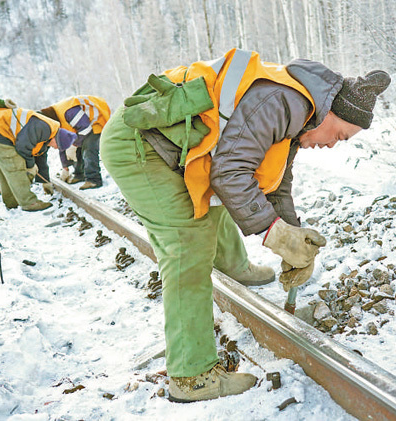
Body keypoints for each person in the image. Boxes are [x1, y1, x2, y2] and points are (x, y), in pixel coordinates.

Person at [100, 48, 391, 402]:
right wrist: (275, 235)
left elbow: (274, 182)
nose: (332, 145)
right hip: (140, 146)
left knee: (222, 202)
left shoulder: (301, 111)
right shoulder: (284, 102)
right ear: (331, 113)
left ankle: (233, 266)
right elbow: (230, 173)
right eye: (341, 136)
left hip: (174, 147)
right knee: (188, 249)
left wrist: (294, 237)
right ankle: (191, 376)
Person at [0, 102, 77, 211]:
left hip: (0, 132)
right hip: (0, 131)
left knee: (4, 171)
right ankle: (29, 203)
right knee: (16, 168)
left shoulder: (46, 136)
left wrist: (45, 181)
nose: (56, 148)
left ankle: (12, 202)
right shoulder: (44, 128)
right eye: (58, 146)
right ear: (57, 139)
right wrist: (30, 166)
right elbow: (22, 147)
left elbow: (41, 159)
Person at [40, 95, 111, 190]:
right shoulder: (54, 122)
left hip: (96, 120)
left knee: (88, 148)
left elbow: (86, 129)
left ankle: (94, 180)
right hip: (83, 127)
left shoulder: (68, 112)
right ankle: (79, 174)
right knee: (76, 148)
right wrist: (65, 167)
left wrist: (75, 143)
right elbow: (61, 144)